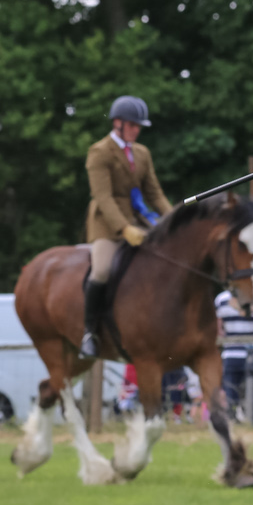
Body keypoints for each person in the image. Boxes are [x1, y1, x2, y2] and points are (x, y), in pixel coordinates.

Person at [81, 95, 174, 357]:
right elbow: (103, 197)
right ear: (118, 123)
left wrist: (173, 219)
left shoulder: (142, 153)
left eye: (138, 126)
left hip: (138, 219)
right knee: (101, 270)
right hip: (107, 224)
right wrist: (123, 229)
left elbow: (154, 193)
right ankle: (89, 332)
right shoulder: (99, 152)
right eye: (133, 125)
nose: (137, 130)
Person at [215, 287, 253, 421]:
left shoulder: (221, 299)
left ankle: (231, 418)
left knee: (230, 390)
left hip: (230, 353)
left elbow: (218, 331)